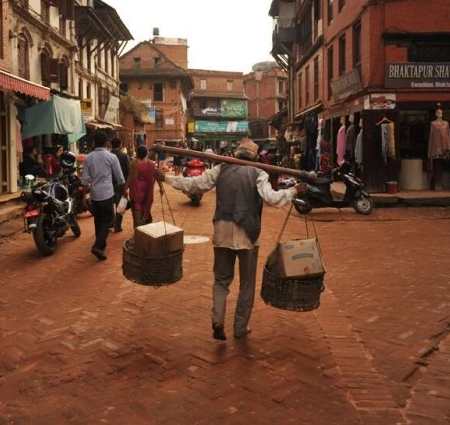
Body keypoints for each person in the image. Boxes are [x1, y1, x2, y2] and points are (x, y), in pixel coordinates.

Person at [155, 138, 307, 341]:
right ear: (254, 156)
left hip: (222, 231)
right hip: (248, 234)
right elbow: (273, 199)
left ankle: (218, 320)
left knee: (221, 280)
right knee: (246, 284)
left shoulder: (221, 169)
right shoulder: (258, 172)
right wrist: (294, 190)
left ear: (236, 154)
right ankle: (240, 328)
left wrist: (166, 178)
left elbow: (195, 185)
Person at [81, 132, 125, 261]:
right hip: (107, 194)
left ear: (94, 143)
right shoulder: (111, 157)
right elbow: (120, 178)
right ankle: (98, 246)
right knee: (107, 220)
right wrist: (123, 191)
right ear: (107, 143)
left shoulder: (88, 158)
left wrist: (84, 197)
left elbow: (85, 180)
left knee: (98, 220)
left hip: (94, 194)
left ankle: (100, 246)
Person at [126, 145, 163, 228]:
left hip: (135, 190)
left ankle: (138, 226)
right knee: (145, 207)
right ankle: (144, 224)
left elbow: (130, 178)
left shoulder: (133, 163)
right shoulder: (152, 164)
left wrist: (125, 189)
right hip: (147, 190)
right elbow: (157, 176)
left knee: (137, 209)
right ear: (147, 153)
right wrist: (161, 188)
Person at [110, 137, 130, 233]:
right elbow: (128, 170)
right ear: (120, 145)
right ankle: (117, 226)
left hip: (108, 184)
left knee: (109, 205)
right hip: (120, 184)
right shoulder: (124, 156)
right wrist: (126, 185)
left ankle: (111, 222)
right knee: (120, 205)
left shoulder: (108, 155)